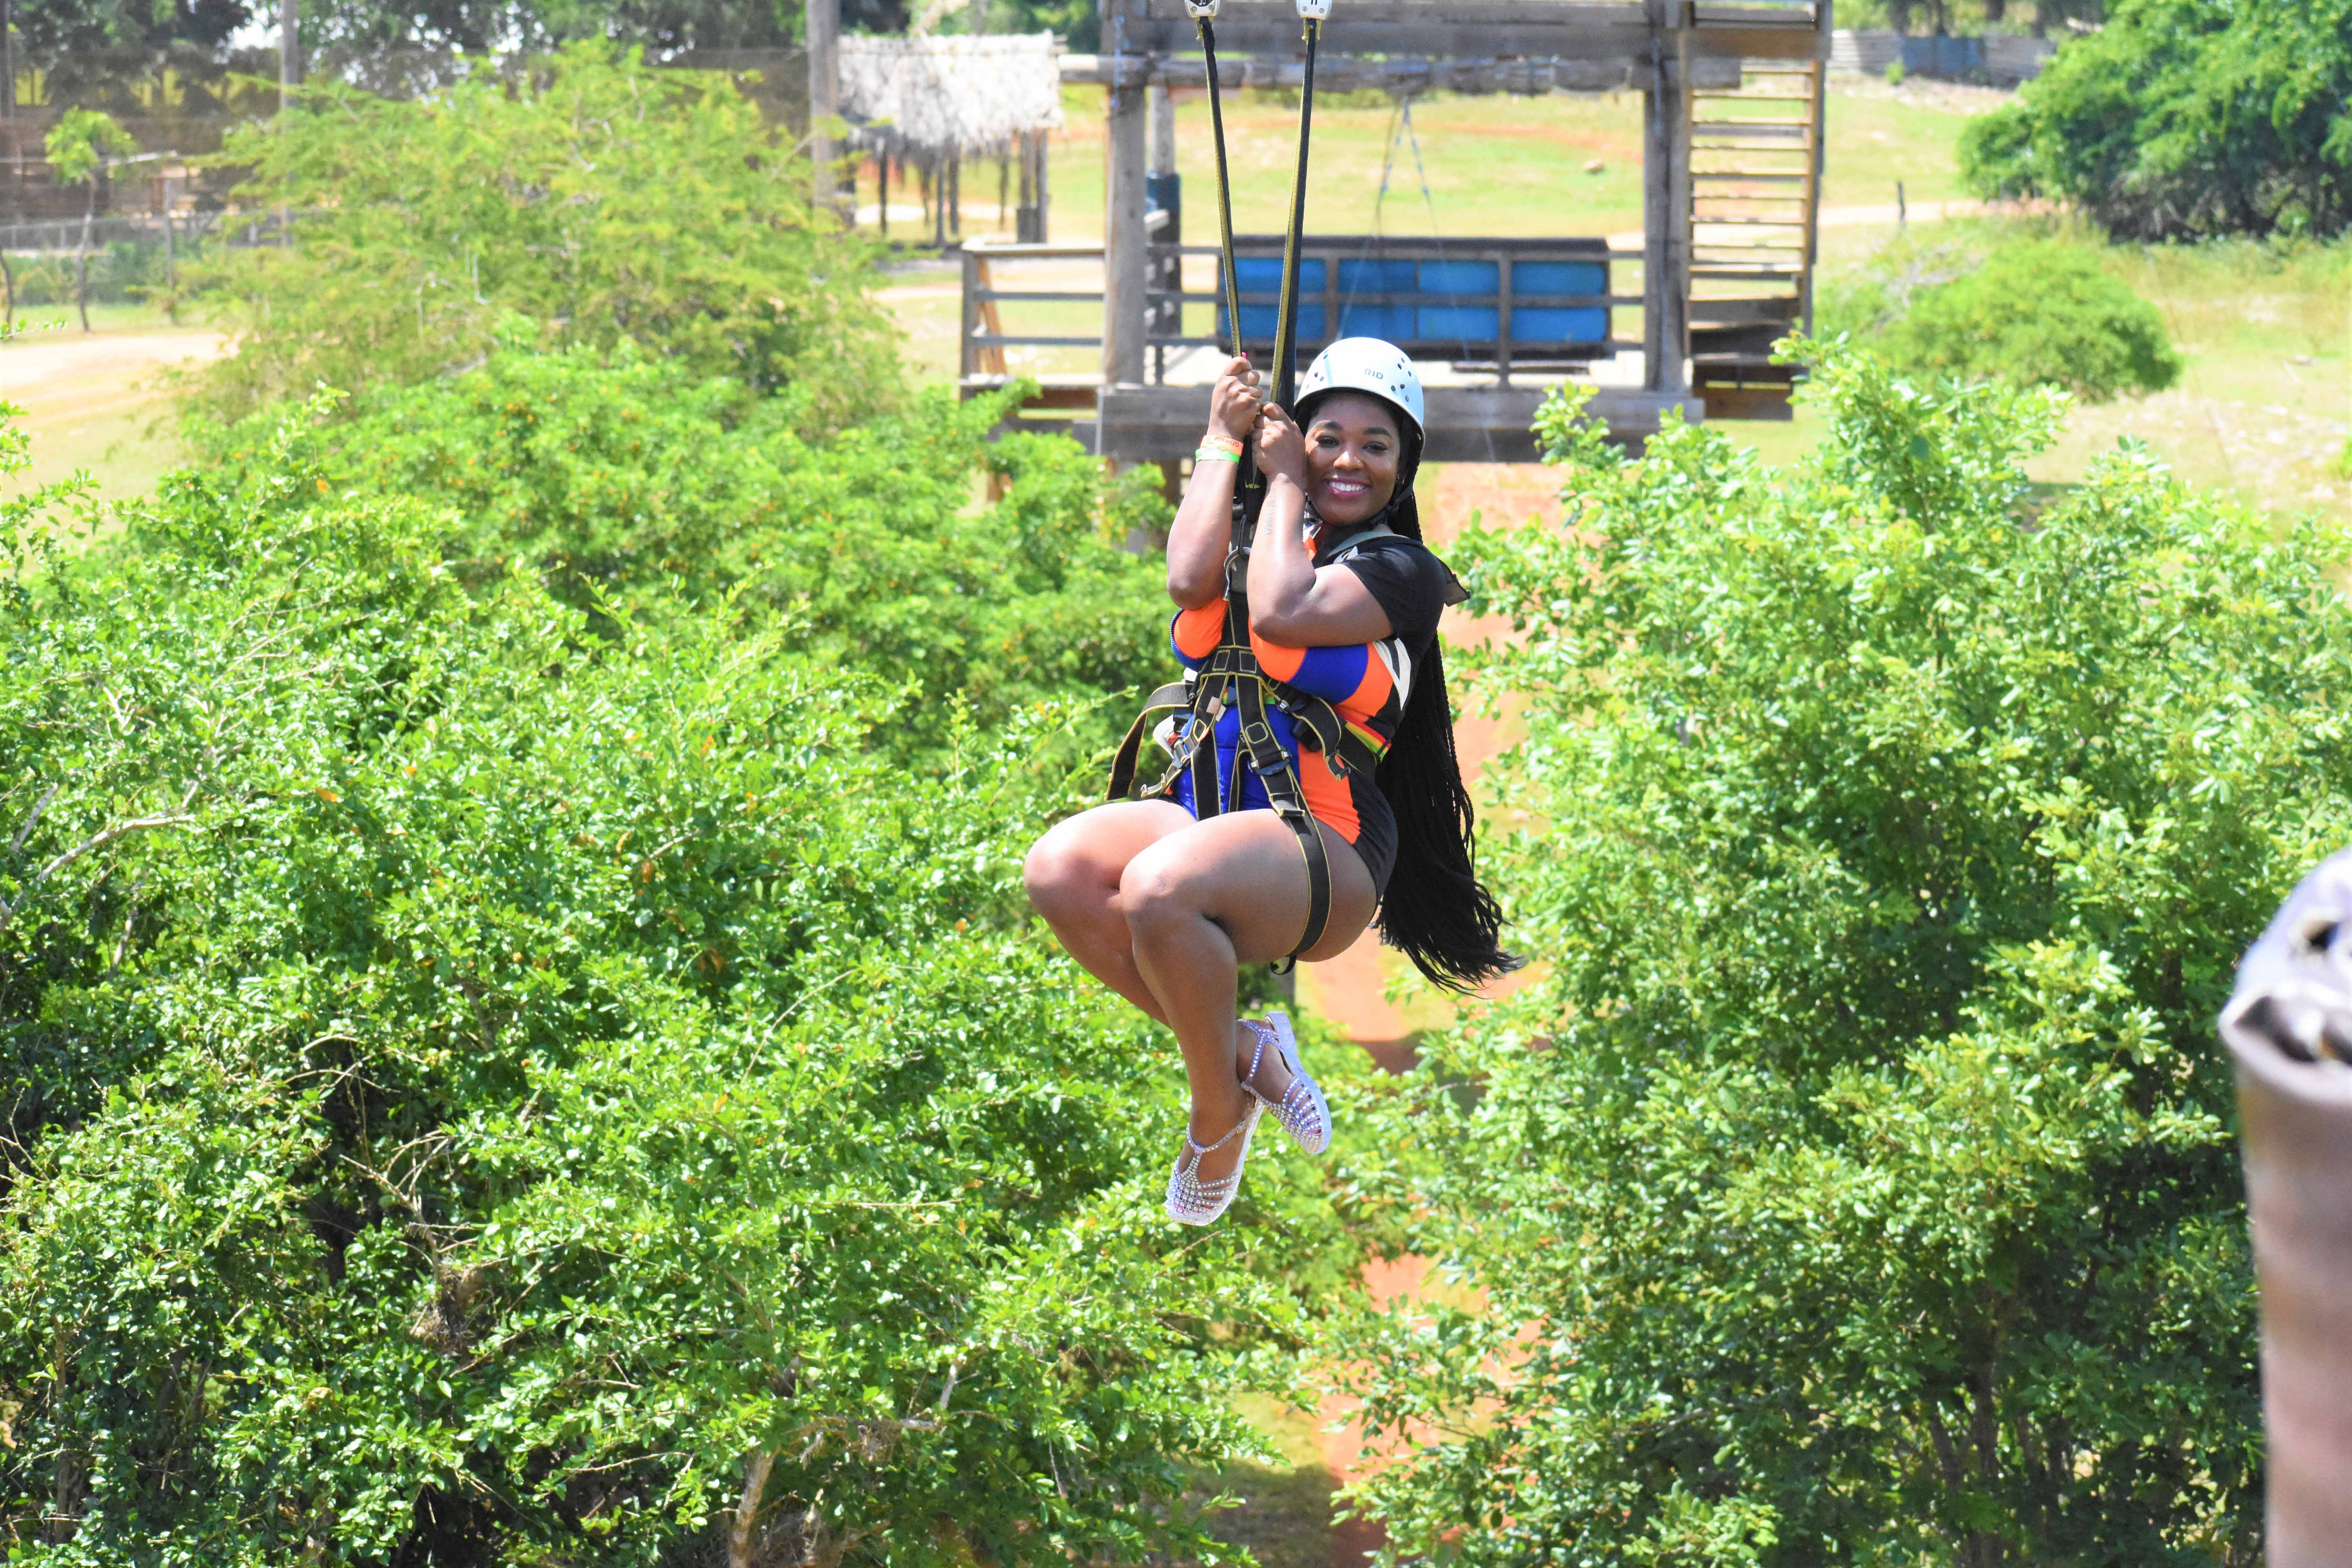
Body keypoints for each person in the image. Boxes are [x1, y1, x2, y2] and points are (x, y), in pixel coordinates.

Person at [1023, 338, 1516, 1226]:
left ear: (1404, 468)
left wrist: (1286, 478)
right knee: (1058, 868)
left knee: (1160, 890)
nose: (1348, 460)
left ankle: (1216, 1117)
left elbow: (1286, 611)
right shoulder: (1260, 535)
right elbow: (1184, 579)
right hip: (1204, 811)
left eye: (1376, 444)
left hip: (1323, 844)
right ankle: (1246, 1054)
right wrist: (1222, 438)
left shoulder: (1400, 572)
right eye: (1328, 437)